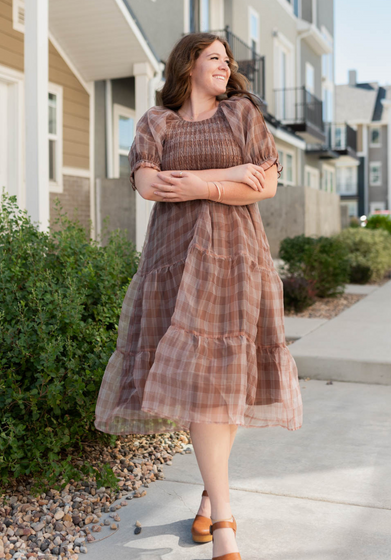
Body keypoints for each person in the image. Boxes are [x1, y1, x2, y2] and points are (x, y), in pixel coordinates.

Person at [95, 32, 303, 560]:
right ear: (188, 64)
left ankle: (220, 510)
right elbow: (150, 186)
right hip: (175, 260)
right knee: (202, 378)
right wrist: (231, 173)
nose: (224, 66)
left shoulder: (241, 115)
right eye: (214, 58)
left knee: (227, 374)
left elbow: (266, 186)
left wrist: (206, 185)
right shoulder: (155, 122)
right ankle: (216, 500)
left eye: (226, 61)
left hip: (236, 256)